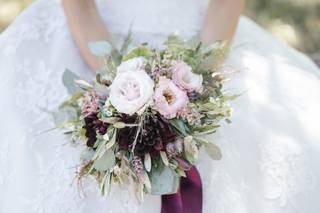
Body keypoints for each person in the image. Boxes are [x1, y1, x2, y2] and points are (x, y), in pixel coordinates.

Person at [0, 0, 319, 212]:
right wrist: (124, 88)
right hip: (90, 39)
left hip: (203, 44)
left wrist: (191, 84)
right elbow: (80, 6)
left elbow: (224, 5)